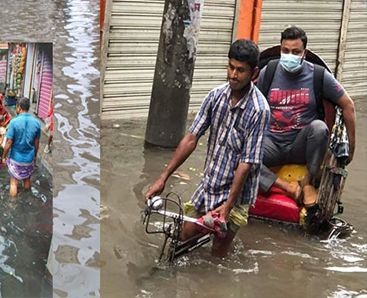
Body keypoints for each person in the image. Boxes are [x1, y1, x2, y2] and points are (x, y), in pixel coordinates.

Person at [145, 39, 271, 257]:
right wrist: (163, 177)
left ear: (254, 73)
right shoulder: (216, 96)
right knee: (184, 237)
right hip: (210, 185)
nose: (233, 75)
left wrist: (228, 207)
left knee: (218, 254)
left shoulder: (259, 111)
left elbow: (247, 163)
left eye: (240, 70)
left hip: (236, 195)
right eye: (231, 67)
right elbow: (191, 138)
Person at [257, 26, 356, 209]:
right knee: (239, 152)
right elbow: (254, 107)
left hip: (301, 145)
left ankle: (308, 182)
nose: (290, 56)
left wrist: (351, 149)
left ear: (304, 53)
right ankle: (286, 187)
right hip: (272, 144)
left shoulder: (318, 75)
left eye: (295, 52)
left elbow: (348, 105)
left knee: (319, 127)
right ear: (280, 50)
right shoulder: (268, 72)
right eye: (285, 51)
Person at [3, 97, 42, 197]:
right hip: (29, 158)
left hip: (16, 158)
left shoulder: (14, 122)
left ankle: (12, 204)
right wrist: (35, 156)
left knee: (13, 183)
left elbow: (8, 142)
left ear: (18, 107)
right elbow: (37, 143)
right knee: (27, 179)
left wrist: (4, 156)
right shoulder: (37, 123)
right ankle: (27, 197)